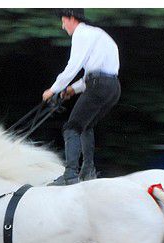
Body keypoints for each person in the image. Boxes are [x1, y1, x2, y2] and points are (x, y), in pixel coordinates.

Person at [43, 8, 120, 185]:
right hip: (113, 87)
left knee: (71, 127)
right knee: (86, 125)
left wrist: (53, 89)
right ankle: (88, 171)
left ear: (72, 18)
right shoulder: (98, 35)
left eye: (63, 20)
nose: (63, 26)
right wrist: (72, 89)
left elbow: (74, 66)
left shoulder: (81, 34)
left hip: (98, 85)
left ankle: (70, 174)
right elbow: (99, 73)